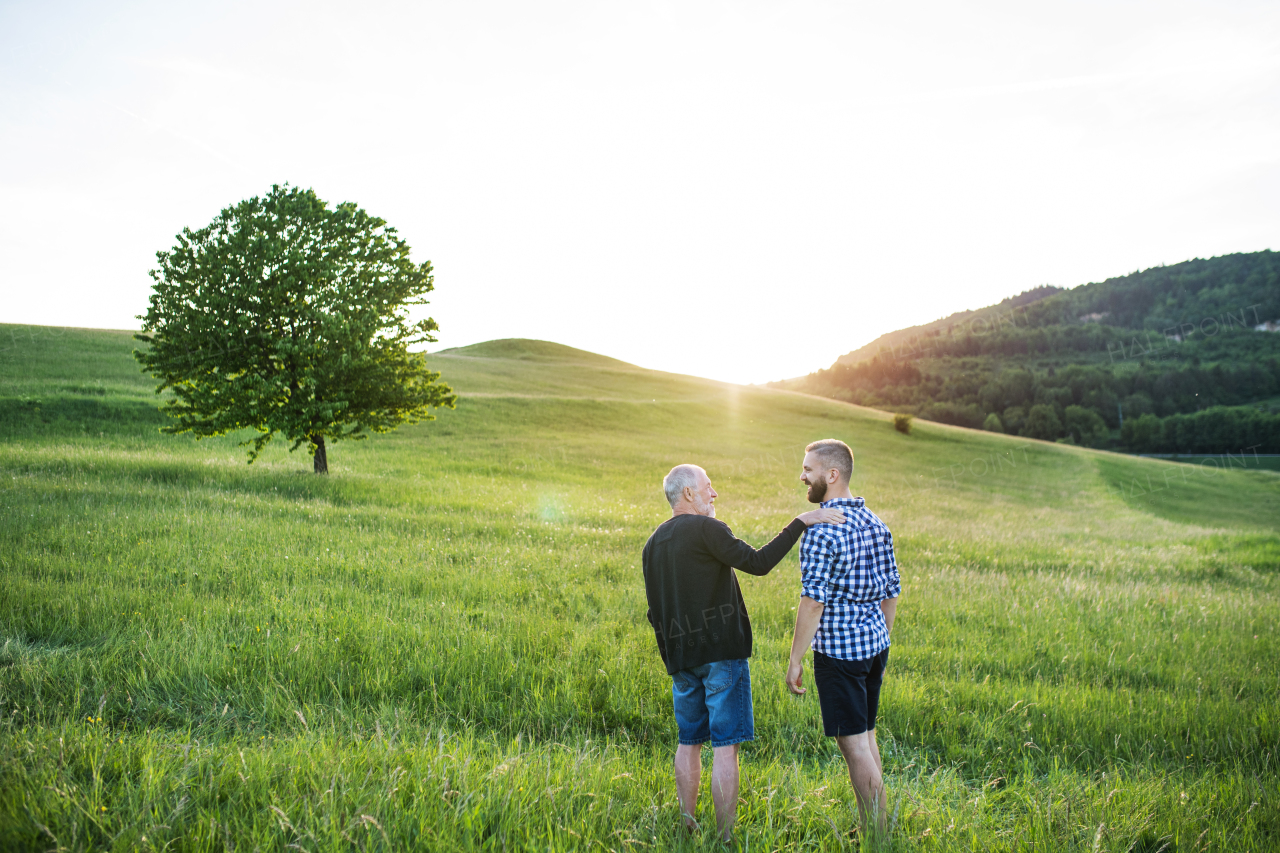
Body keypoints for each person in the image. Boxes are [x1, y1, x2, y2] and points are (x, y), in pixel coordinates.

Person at [642, 463, 845, 842]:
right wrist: (801, 522)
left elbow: (655, 611)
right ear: (688, 493)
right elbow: (758, 563)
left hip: (680, 661)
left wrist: (672, 651)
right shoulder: (707, 529)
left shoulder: (652, 544)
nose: (714, 494)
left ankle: (687, 825)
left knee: (689, 741)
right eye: (708, 487)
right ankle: (724, 837)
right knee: (725, 747)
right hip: (721, 654)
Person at [786, 439, 901, 838]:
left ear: (831, 475)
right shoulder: (876, 523)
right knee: (866, 735)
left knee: (852, 746)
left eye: (808, 469)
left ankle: (878, 834)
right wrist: (880, 641)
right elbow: (891, 592)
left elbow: (813, 602)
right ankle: (876, 824)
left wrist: (795, 659)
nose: (802, 476)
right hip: (873, 647)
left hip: (838, 653)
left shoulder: (822, 529)